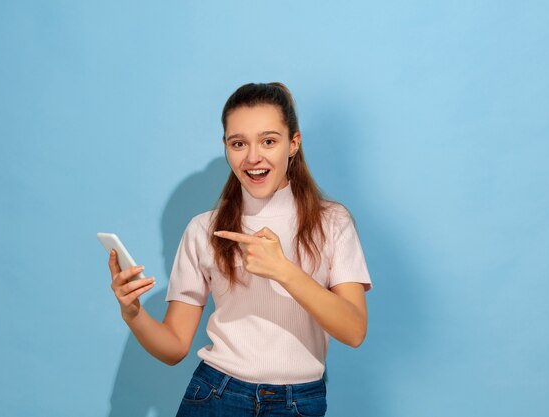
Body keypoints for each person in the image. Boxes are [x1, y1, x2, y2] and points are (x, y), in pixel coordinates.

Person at [108, 82, 372, 416]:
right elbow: (174, 346)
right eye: (238, 143)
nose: (252, 157)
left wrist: (284, 271)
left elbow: (354, 330)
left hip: (299, 402)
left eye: (269, 141)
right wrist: (133, 314)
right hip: (216, 395)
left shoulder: (332, 222)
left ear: (293, 143)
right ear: (226, 147)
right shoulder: (204, 229)